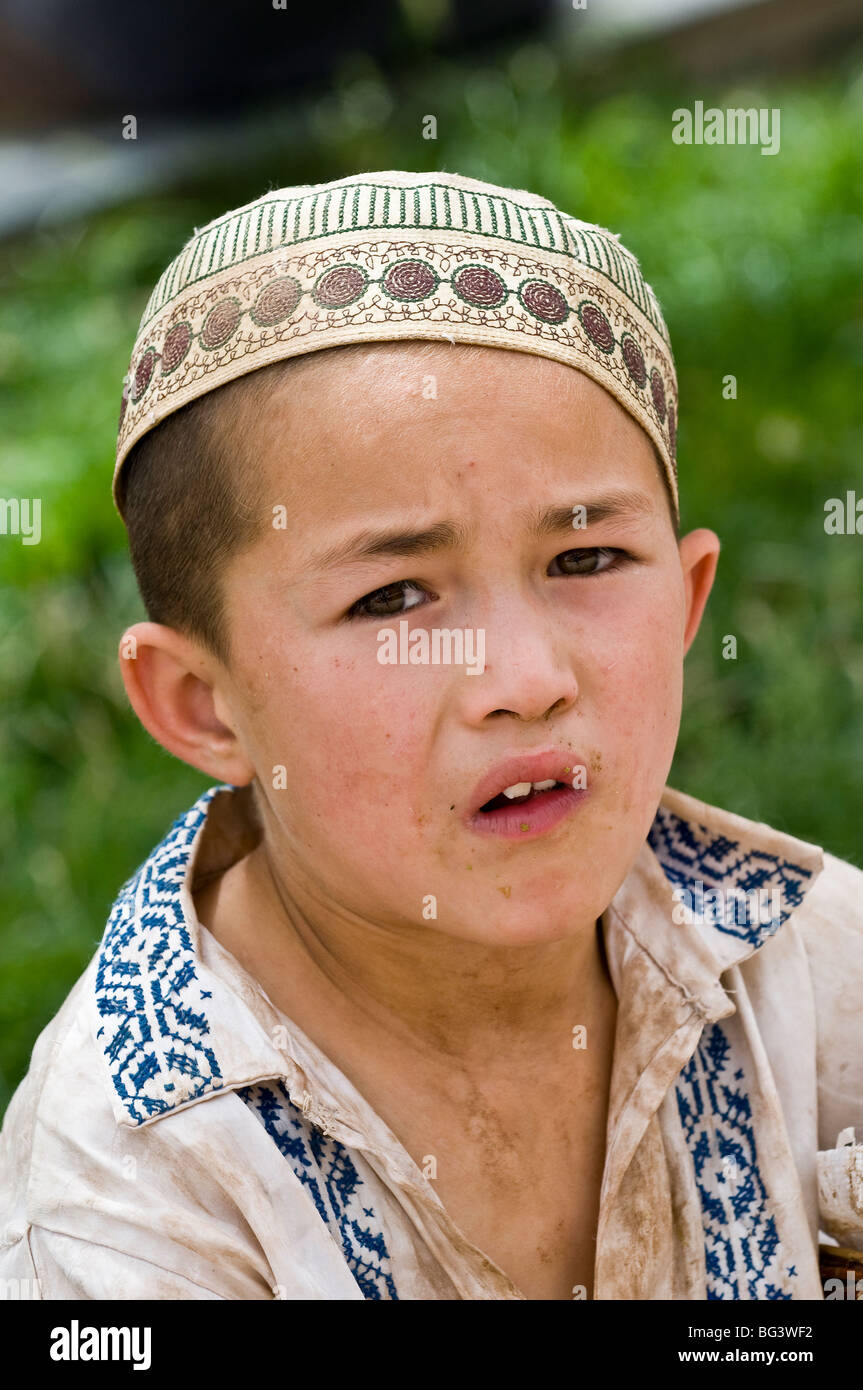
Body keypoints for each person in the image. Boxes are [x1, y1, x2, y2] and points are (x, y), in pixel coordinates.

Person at [1, 169, 861, 1301]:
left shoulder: (806, 961)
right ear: (202, 703)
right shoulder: (123, 1217)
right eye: (394, 599)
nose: (525, 679)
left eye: (586, 560)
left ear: (689, 601)